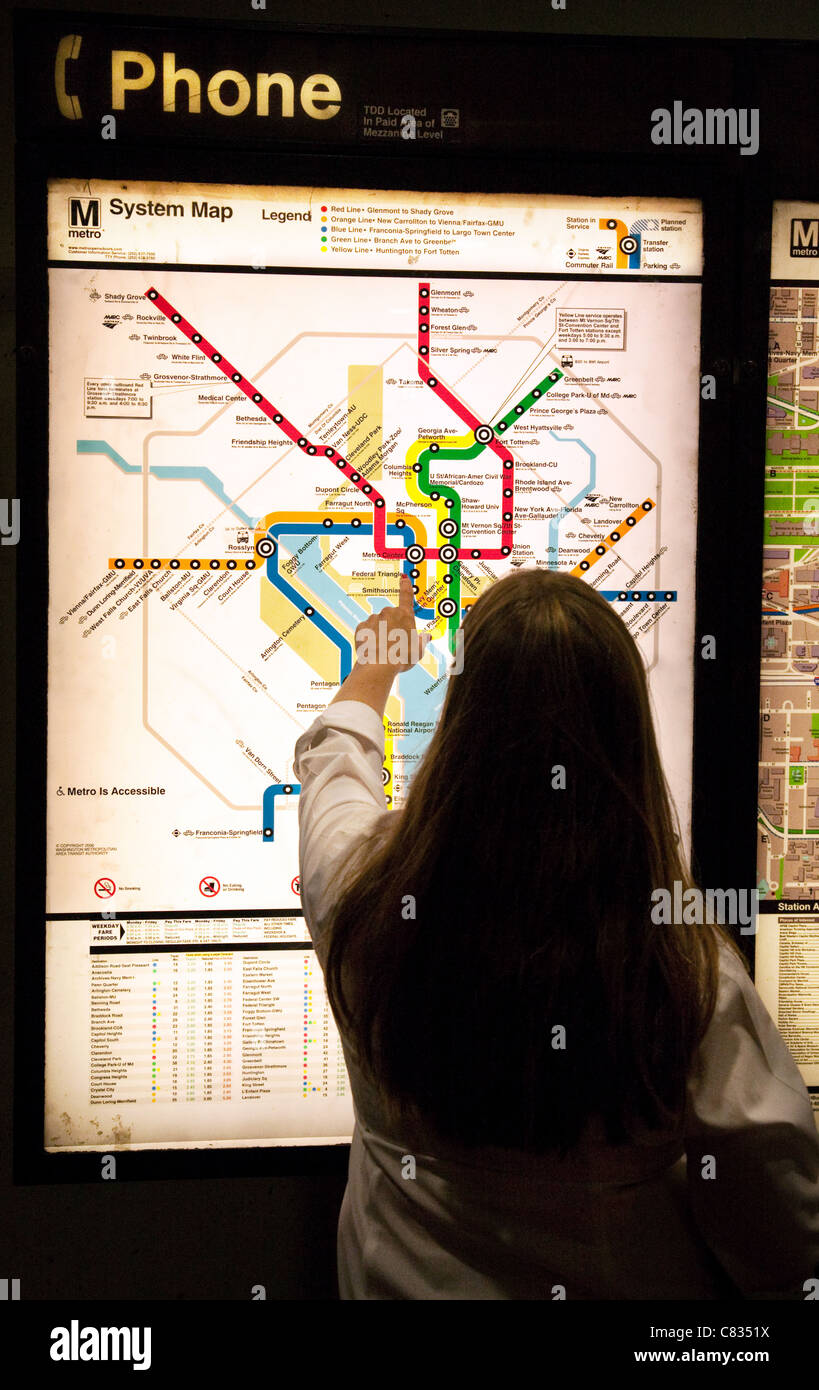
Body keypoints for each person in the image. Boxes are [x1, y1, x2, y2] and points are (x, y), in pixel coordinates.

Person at [293, 567, 819, 1300]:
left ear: (460, 726)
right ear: (626, 737)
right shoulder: (680, 972)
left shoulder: (362, 899)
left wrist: (376, 665)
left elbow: (332, 770)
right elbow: (778, 1233)